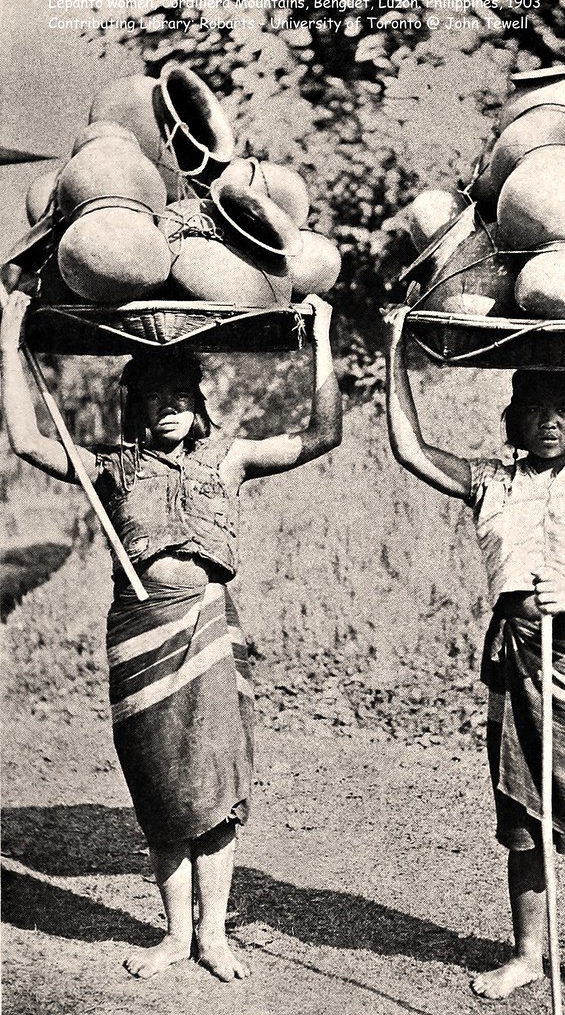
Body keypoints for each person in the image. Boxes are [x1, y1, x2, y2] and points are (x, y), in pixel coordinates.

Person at [1, 290, 342, 982]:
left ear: (198, 399)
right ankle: (173, 936)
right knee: (161, 791)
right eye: (153, 395)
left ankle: (213, 935)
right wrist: (8, 341)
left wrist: (324, 338)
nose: (167, 405)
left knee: (215, 785)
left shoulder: (230, 459)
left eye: (178, 392)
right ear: (136, 407)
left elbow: (322, 434)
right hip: (139, 635)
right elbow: (28, 439)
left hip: (211, 628)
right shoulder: (109, 468)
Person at [386, 306, 565, 1015]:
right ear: (515, 418)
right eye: (535, 409)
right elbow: (409, 447)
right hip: (514, 663)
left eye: (562, 410)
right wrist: (393, 345)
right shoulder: (489, 482)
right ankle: (529, 955)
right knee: (522, 822)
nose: (549, 422)